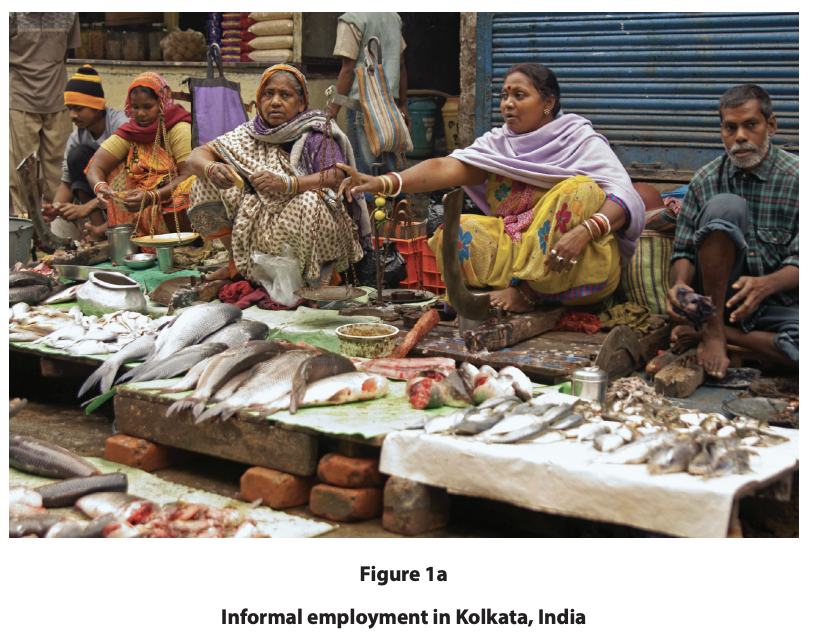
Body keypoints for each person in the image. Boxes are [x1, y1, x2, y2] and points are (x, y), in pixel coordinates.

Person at [338, 63, 644, 313]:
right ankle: (500, 291)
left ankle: (528, 292)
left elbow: (625, 196)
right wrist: (383, 182)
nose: (508, 104)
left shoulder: (579, 140)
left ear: (548, 103)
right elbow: (446, 167)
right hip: (516, 255)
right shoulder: (498, 143)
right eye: (504, 96)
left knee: (580, 189)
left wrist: (586, 230)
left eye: (520, 96)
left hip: (575, 260)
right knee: (456, 230)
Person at [186, 64, 369, 289]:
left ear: (301, 103)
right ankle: (237, 263)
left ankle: (318, 282)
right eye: (268, 94)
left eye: (285, 95)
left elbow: (336, 175)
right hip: (255, 217)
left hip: (300, 216)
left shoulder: (315, 130)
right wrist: (211, 168)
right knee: (202, 182)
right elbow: (195, 156)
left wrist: (287, 184)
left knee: (312, 202)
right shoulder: (248, 133)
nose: (275, 102)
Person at [666, 84, 798, 379]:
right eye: (730, 128)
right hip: (713, 306)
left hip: (776, 306)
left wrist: (766, 285)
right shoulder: (705, 179)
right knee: (725, 206)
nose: (740, 136)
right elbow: (685, 251)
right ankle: (713, 331)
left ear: (771, 126)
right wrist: (681, 287)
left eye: (751, 125)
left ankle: (720, 334)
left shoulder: (800, 179)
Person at [86, 72, 195, 241]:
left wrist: (153, 196)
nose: (140, 114)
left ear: (162, 103)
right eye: (135, 107)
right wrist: (100, 188)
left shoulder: (179, 128)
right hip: (141, 195)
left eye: (147, 106)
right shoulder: (133, 131)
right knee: (115, 170)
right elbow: (96, 166)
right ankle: (128, 235)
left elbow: (188, 175)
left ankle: (184, 244)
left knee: (187, 187)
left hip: (171, 192)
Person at [9, 12, 80, 217]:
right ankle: (26, 229)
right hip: (18, 99)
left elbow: (66, 53)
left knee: (61, 170)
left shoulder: (69, 11)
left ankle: (58, 231)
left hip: (58, 99)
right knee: (20, 174)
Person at [50, 65, 129, 240]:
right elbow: (68, 183)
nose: (72, 115)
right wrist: (55, 208)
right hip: (99, 195)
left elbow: (135, 172)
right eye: (70, 108)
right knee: (77, 157)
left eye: (78, 108)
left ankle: (109, 227)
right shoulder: (76, 137)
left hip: (126, 190)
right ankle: (96, 229)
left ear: (97, 108)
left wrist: (88, 206)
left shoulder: (121, 125)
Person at [330, 12, 410, 182]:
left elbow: (347, 70)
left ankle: (367, 207)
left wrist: (333, 109)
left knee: (364, 172)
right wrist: (402, 105)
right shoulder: (393, 17)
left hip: (362, 107)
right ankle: (400, 207)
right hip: (390, 106)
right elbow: (401, 65)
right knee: (393, 172)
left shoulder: (353, 18)